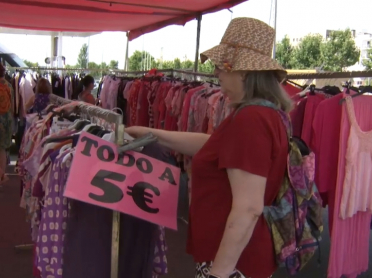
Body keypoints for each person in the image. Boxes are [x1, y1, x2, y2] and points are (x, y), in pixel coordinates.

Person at [125, 18, 292, 278]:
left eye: (220, 67)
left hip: (233, 264)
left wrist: (218, 274)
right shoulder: (260, 114)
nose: (217, 73)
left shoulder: (251, 120)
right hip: (235, 258)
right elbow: (214, 146)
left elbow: (249, 207)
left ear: (243, 72)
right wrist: (152, 134)